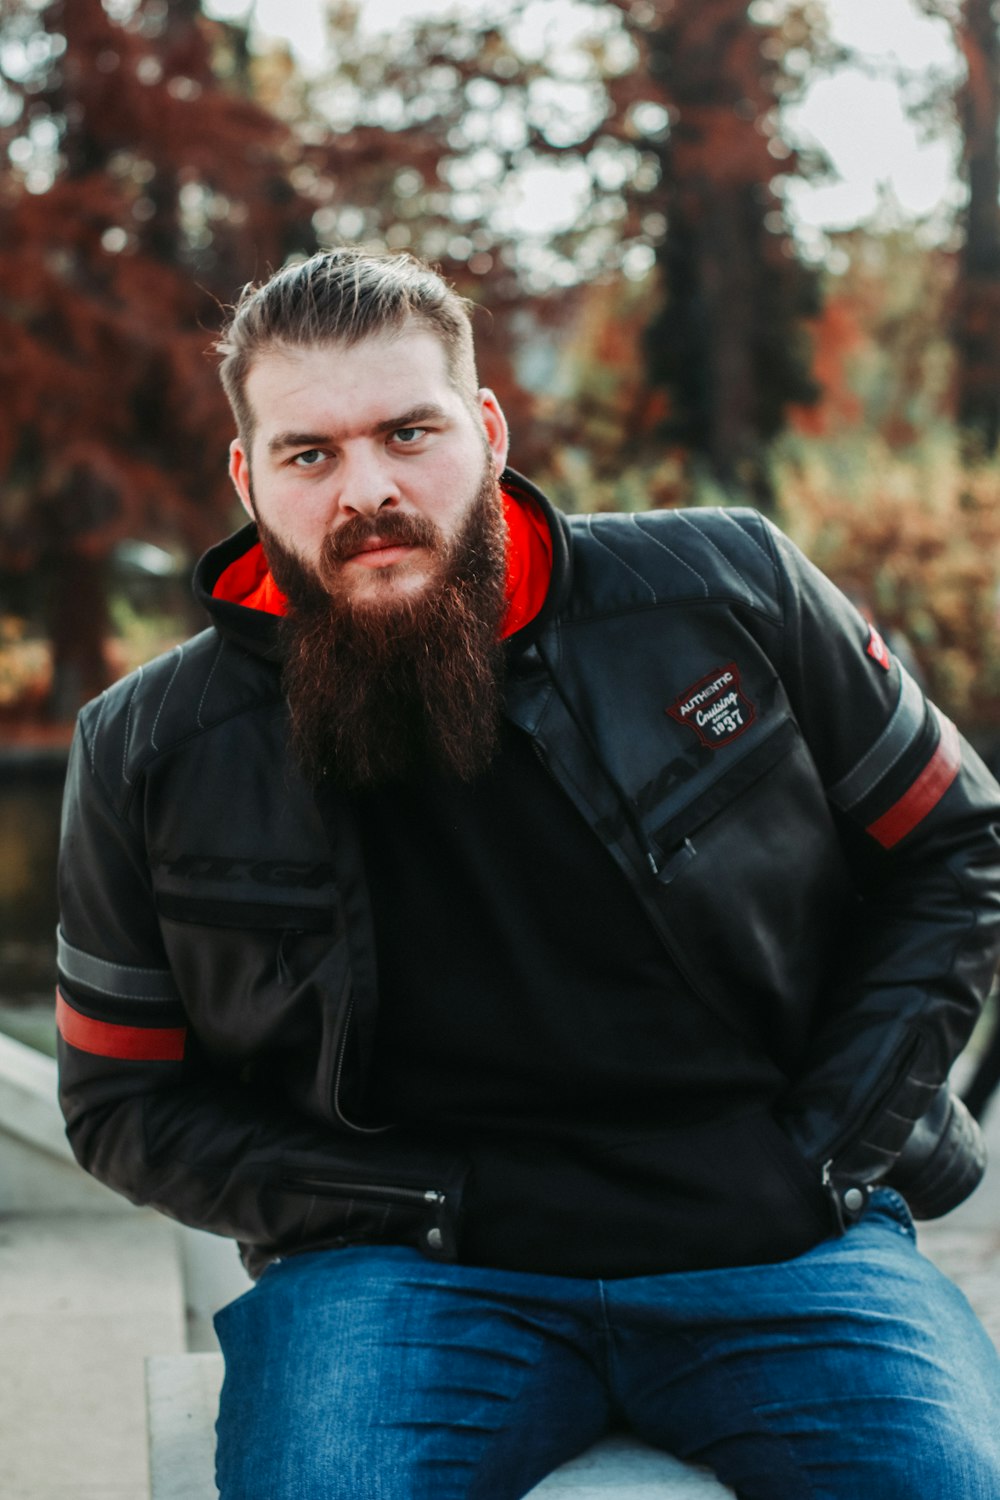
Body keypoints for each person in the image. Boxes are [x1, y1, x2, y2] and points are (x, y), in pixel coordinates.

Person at [56, 249, 1000, 1500]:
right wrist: (414, 1200)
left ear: (487, 430)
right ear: (247, 476)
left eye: (408, 433)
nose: (368, 490)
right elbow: (121, 1105)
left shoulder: (725, 591)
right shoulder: (146, 749)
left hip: (784, 1238)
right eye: (310, 454)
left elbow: (957, 846)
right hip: (396, 1275)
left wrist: (824, 1149)